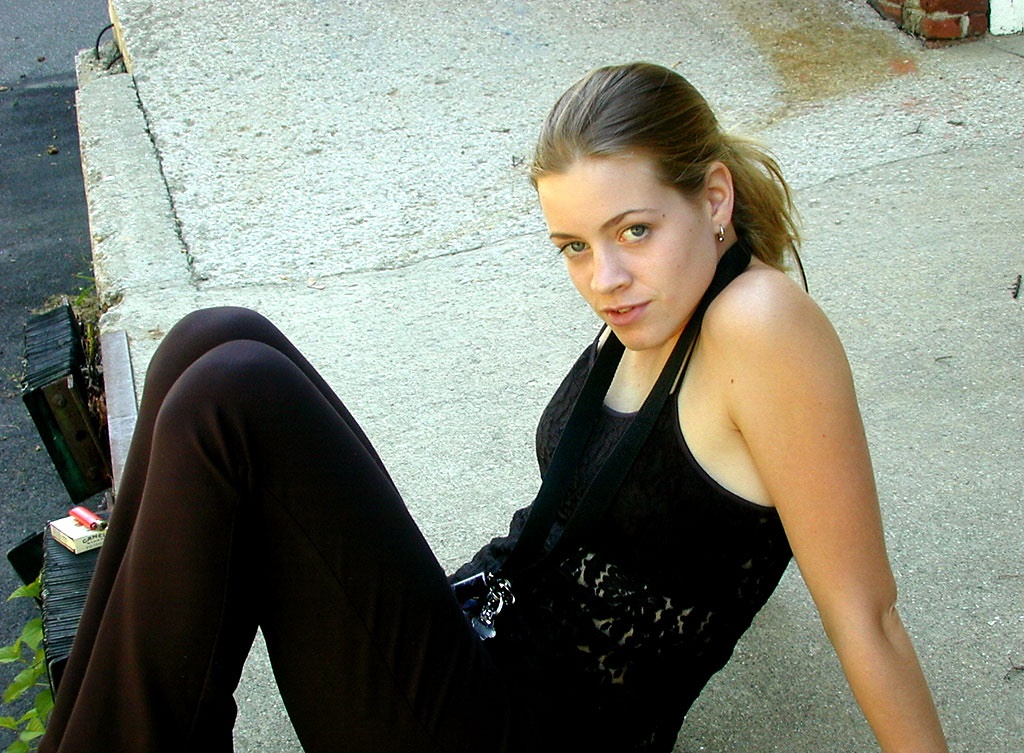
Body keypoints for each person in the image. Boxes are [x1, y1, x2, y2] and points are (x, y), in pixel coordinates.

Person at [39, 62, 947, 753]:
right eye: (573, 246)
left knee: (233, 394)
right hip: (477, 642)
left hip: (519, 730)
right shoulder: (662, 300)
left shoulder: (762, 324)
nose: (605, 277)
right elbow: (698, 510)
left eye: (634, 230)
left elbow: (865, 615)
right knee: (212, 335)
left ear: (714, 197)